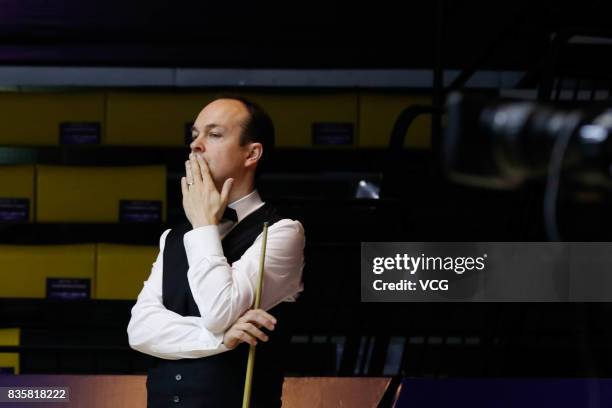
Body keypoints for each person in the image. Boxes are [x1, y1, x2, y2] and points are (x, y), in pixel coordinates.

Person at [127, 97, 305, 407]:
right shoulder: (173, 237)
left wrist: (203, 226)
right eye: (194, 134)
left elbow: (219, 311)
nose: (196, 144)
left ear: (252, 153)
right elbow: (140, 330)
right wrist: (221, 339)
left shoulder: (282, 232)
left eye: (214, 134)